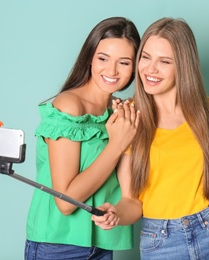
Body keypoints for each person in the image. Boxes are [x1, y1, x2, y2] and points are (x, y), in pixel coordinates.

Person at [92, 18, 209, 259]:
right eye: (145, 57)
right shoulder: (128, 117)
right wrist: (116, 214)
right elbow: (131, 200)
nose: (150, 69)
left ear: (184, 66)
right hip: (162, 241)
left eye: (164, 61)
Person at [25, 17, 141, 260]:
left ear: (135, 68)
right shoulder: (70, 106)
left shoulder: (120, 115)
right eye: (103, 58)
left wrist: (118, 212)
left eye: (124, 62)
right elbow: (66, 203)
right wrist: (117, 144)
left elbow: (131, 196)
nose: (111, 71)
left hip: (102, 246)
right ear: (90, 57)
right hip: (57, 246)